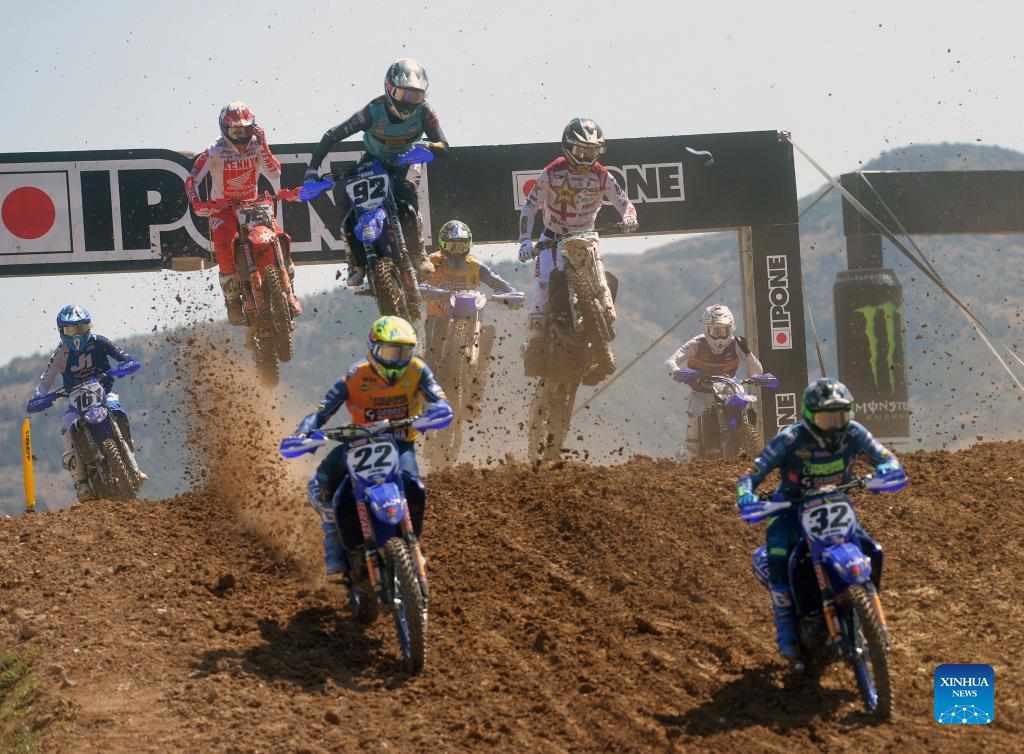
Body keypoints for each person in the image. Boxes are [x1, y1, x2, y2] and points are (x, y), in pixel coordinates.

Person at [735, 378, 906, 662]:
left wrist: (888, 468)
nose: (835, 426)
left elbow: (885, 456)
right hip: (790, 507)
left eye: (841, 416)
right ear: (810, 416)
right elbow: (750, 475)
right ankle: (788, 637)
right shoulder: (790, 439)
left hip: (835, 503)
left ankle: (866, 606)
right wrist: (747, 496)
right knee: (779, 559)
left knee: (872, 549)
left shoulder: (854, 432)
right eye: (827, 418)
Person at [293, 316, 453, 594]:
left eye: (403, 353)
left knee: (413, 485)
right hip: (359, 444)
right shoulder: (355, 375)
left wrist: (438, 412)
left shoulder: (418, 370)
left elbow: (440, 401)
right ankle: (335, 547)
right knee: (322, 484)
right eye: (390, 352)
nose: (396, 361)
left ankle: (411, 539)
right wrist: (303, 433)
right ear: (373, 349)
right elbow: (321, 411)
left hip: (400, 444)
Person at [304, 58, 449, 287]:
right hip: (375, 159)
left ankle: (418, 253)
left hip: (408, 158)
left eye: (416, 96)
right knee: (349, 203)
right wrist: (312, 170)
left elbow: (444, 145)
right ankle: (356, 263)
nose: (410, 102)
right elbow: (332, 135)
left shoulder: (425, 112)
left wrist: (429, 147)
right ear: (390, 89)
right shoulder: (372, 111)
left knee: (407, 191)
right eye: (404, 95)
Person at [517, 117, 638, 380]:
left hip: (586, 238)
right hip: (552, 238)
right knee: (542, 287)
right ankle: (535, 343)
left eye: (591, 151)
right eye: (581, 150)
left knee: (605, 280)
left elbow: (624, 202)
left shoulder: (602, 175)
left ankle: (602, 334)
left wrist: (629, 216)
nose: (585, 157)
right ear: (568, 147)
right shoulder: (552, 172)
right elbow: (529, 207)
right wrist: (525, 240)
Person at [186, 101, 300, 325]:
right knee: (223, 243)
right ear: (225, 129)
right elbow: (192, 179)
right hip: (224, 207)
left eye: (246, 130)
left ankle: (289, 290)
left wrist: (264, 145)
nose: (241, 136)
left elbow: (275, 173)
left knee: (279, 236)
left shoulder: (257, 145)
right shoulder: (214, 150)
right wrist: (198, 203)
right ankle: (232, 300)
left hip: (252, 203)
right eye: (236, 131)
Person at [28, 305, 145, 501]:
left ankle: (132, 462)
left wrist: (126, 365)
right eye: (71, 330)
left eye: (81, 328)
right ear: (62, 330)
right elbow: (44, 383)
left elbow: (125, 357)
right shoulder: (60, 354)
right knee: (68, 425)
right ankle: (81, 483)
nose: (77, 334)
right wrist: (39, 397)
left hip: (103, 392)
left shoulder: (100, 342)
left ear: (89, 326)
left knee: (117, 410)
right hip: (76, 400)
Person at [421, 220, 520, 385]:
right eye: (452, 246)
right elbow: (414, 281)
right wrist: (422, 289)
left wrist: (511, 295)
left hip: (471, 316)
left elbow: (498, 283)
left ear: (469, 245)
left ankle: (480, 374)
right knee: (430, 357)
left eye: (461, 246)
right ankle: (427, 385)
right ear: (442, 244)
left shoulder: (475, 265)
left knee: (488, 332)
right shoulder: (432, 262)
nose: (457, 251)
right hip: (438, 316)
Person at [666, 304, 765, 457]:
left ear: (731, 328)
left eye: (724, 331)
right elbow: (671, 360)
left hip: (727, 388)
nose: (720, 337)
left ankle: (745, 437)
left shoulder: (736, 344)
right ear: (707, 330)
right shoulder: (696, 344)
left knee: (743, 400)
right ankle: (691, 454)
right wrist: (678, 372)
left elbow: (758, 372)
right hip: (701, 391)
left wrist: (748, 352)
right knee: (694, 419)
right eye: (715, 331)